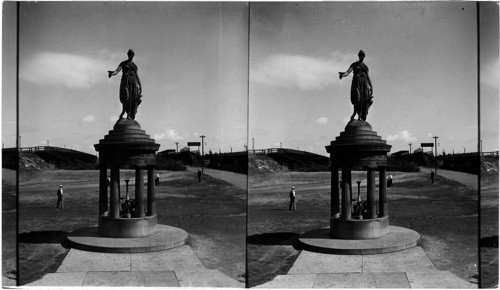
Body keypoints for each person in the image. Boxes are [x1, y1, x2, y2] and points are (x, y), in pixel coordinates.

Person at [339, 50, 373, 121]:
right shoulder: (354, 64)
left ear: (364, 56)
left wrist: (371, 86)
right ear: (358, 56)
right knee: (357, 98)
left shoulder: (365, 67)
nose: (361, 57)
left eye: (362, 55)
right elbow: (347, 72)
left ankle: (360, 116)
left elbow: (368, 77)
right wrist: (342, 75)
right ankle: (355, 113)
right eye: (360, 55)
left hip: (364, 83)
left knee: (363, 100)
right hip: (356, 83)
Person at [108, 49, 142, 120]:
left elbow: (137, 76)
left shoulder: (134, 66)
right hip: (125, 81)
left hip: (133, 82)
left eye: (132, 55)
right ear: (128, 55)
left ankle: (128, 115)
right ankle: (123, 112)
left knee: (132, 99)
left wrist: (140, 85)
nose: (130, 56)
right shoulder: (123, 63)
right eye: (129, 54)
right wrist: (112, 74)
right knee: (126, 97)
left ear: (133, 56)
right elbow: (116, 71)